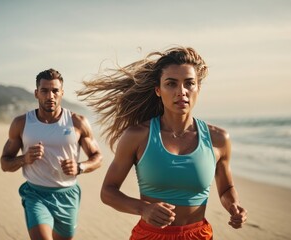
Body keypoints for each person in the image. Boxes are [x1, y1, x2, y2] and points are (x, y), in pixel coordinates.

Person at [77, 46, 247, 239]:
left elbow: (226, 189)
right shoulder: (138, 136)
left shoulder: (218, 139)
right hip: (150, 236)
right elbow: (108, 192)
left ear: (198, 87)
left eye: (189, 83)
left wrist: (233, 205)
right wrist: (144, 209)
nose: (181, 92)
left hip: (199, 235)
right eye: (171, 84)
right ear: (158, 90)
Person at [0, 68, 102, 240]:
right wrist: (24, 158)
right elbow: (5, 164)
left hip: (67, 194)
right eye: (44, 91)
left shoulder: (78, 122)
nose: (50, 96)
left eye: (55, 91)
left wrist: (79, 167)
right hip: (35, 193)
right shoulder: (21, 123)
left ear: (62, 93)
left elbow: (97, 157)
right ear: (36, 93)